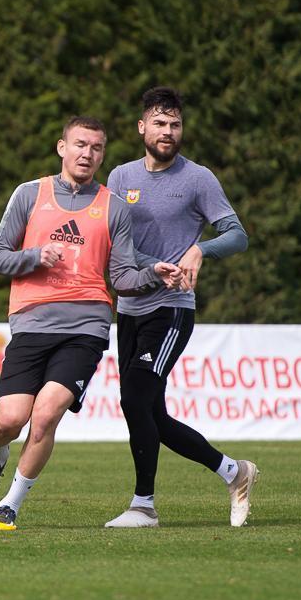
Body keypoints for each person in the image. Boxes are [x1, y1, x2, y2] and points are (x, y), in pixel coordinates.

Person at [0, 116, 180, 531]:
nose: (88, 154)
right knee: (10, 420)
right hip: (31, 323)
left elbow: (122, 277)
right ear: (61, 147)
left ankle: (11, 503)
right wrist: (34, 256)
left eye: (96, 148)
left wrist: (154, 273)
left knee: (46, 414)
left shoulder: (113, 207)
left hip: (87, 328)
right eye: (81, 145)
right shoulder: (30, 194)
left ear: (103, 155)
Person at [103, 86, 256, 529]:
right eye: (159, 123)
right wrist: (153, 265)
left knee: (134, 397)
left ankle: (143, 505)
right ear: (142, 127)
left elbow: (237, 235)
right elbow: (115, 243)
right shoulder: (120, 177)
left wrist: (200, 250)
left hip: (171, 309)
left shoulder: (198, 179)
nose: (167, 131)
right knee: (149, 411)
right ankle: (234, 471)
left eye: (175, 124)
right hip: (129, 308)